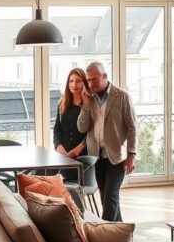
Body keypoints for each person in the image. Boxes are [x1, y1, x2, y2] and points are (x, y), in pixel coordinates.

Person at [77, 61, 137, 222]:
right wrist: (85, 106)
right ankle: (122, 232)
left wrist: (132, 154)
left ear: (104, 77)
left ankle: (104, 233)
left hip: (117, 156)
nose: (90, 83)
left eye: (93, 79)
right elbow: (82, 128)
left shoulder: (122, 97)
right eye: (88, 80)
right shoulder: (89, 99)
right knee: (106, 197)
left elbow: (132, 127)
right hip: (97, 157)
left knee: (110, 196)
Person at [53, 68, 89, 159]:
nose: (74, 84)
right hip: (64, 155)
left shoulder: (90, 103)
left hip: (84, 154)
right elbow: (57, 128)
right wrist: (58, 145)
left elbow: (92, 132)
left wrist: (79, 148)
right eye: (71, 81)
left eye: (78, 81)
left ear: (84, 83)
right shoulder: (62, 102)